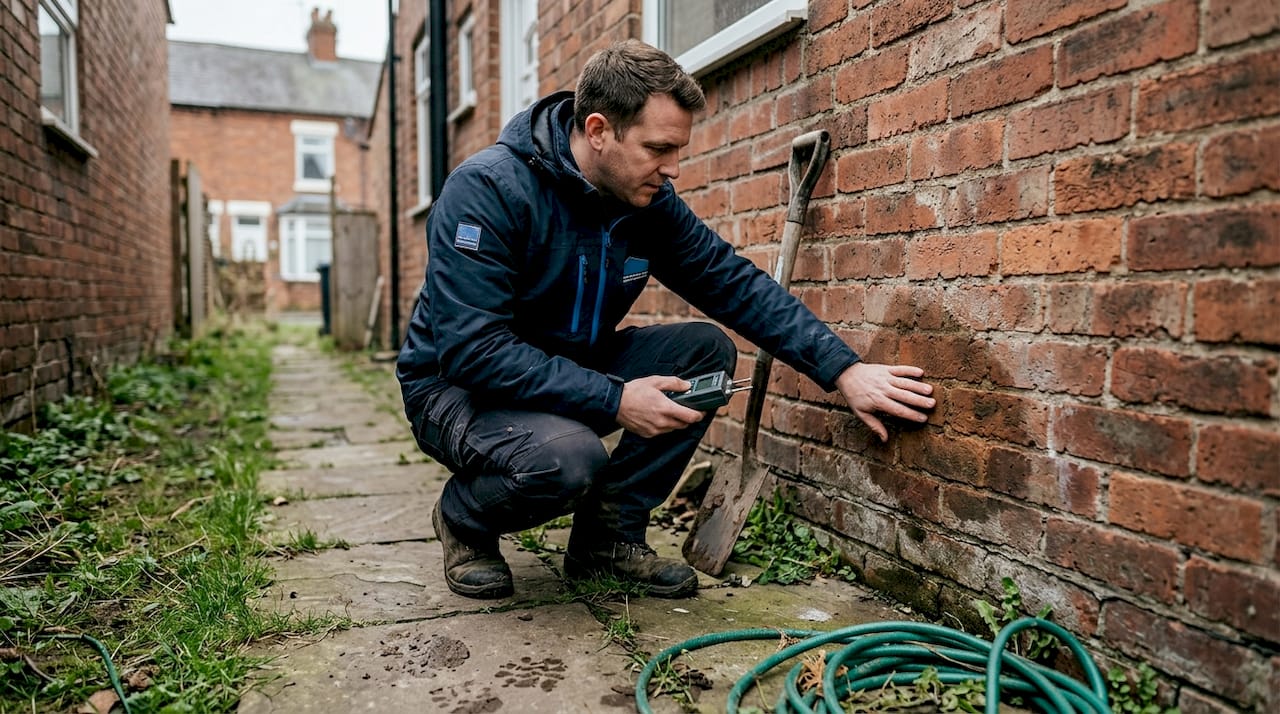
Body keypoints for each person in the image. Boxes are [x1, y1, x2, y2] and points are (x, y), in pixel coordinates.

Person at [397, 40, 935, 600]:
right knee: (569, 459)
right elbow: (473, 350)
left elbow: (732, 283)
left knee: (703, 353)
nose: (673, 168)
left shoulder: (646, 202)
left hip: (565, 366)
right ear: (599, 130)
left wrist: (844, 370)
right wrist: (615, 399)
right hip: (456, 389)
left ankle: (607, 537)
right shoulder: (488, 190)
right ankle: (464, 518)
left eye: (678, 149)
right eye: (658, 148)